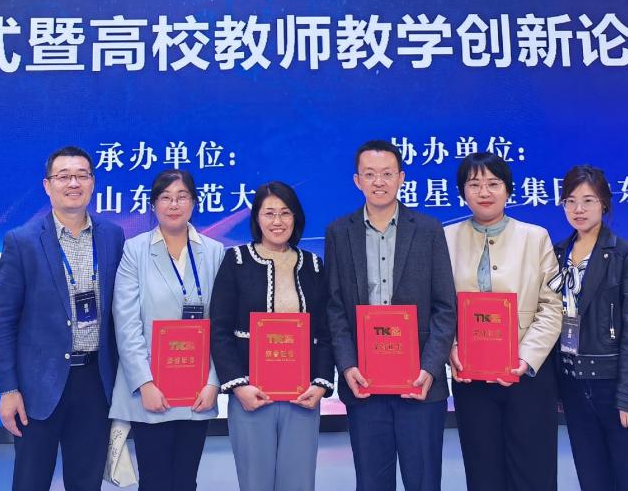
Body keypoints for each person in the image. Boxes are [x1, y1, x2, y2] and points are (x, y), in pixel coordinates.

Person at [0, 145, 125, 491]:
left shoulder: (112, 236)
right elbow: (2, 322)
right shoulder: (22, 241)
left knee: (86, 481)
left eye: (81, 175)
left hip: (96, 381)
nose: (73, 183)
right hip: (38, 386)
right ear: (47, 185)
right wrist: (8, 389)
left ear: (92, 183)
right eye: (64, 176)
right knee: (31, 481)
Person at [325, 140, 456, 491]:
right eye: (370, 174)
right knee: (371, 482)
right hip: (364, 383)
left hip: (419, 383)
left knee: (423, 481)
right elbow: (335, 308)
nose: (379, 182)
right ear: (357, 181)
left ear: (401, 178)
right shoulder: (339, 232)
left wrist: (430, 367)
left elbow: (445, 307)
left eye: (386, 174)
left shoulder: (428, 229)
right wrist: (347, 366)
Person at [443, 152, 563, 490]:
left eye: (493, 183)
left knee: (533, 472)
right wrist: (452, 347)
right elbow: (439, 304)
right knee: (483, 472)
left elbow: (552, 305)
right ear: (462, 192)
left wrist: (525, 358)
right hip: (471, 376)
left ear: (508, 189)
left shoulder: (535, 237)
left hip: (527, 376)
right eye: (474, 184)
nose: (484, 192)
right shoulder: (445, 238)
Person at [210, 181, 334, 491]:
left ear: (296, 218)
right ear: (257, 218)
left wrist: (320, 384)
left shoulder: (313, 265)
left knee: (298, 482)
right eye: (269, 213)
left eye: (285, 213)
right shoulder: (236, 261)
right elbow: (220, 330)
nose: (277, 221)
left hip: (302, 396)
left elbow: (325, 331)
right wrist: (239, 386)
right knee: (256, 481)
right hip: (252, 395)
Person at [109, 170, 225, 491]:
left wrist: (213, 382)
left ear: (194, 203)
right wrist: (144, 382)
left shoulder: (215, 251)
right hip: (151, 390)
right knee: (155, 481)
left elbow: (222, 324)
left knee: (186, 481)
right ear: (153, 205)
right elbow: (126, 322)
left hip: (197, 390)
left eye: (182, 197)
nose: (174, 205)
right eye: (165, 198)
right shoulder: (135, 250)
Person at [552, 165, 628, 491]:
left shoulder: (626, 257)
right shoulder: (556, 254)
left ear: (604, 203)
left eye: (588, 200)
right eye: (570, 201)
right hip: (574, 387)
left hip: (615, 386)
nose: (578, 209)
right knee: (594, 479)